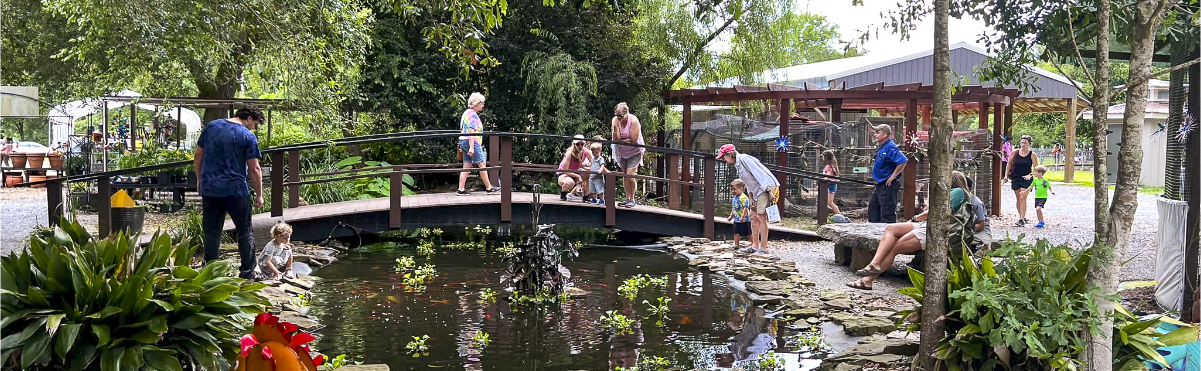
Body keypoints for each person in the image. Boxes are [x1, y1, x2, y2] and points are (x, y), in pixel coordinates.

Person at [847, 171, 987, 290]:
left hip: (938, 230)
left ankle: (868, 280)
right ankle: (874, 264)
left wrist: (916, 218)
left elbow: (937, 211)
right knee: (891, 228)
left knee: (895, 247)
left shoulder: (958, 192)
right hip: (930, 225)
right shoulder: (962, 194)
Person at [196, 107, 264, 280]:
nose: (253, 128)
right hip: (236, 191)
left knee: (212, 232)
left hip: (210, 189)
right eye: (254, 124)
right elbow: (254, 168)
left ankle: (210, 272)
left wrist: (199, 180)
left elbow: (198, 156)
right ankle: (247, 272)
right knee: (244, 231)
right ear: (249, 118)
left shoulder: (211, 127)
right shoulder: (247, 136)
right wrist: (259, 194)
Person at [717, 144, 779, 254]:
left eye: (724, 157)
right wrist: (750, 197)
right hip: (756, 190)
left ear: (730, 154)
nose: (723, 159)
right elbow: (747, 183)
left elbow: (759, 175)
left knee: (761, 216)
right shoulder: (737, 165)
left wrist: (769, 192)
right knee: (752, 216)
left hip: (766, 186)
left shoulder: (745, 159)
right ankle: (755, 246)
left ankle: (764, 248)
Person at [458, 92, 500, 196]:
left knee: (466, 165)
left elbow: (463, 129)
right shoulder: (473, 115)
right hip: (471, 141)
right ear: (477, 103)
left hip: (463, 141)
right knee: (482, 164)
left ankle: (461, 189)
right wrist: (472, 147)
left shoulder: (466, 113)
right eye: (482, 103)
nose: (483, 105)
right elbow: (471, 132)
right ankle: (489, 188)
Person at [868, 124, 908, 223]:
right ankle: (874, 232)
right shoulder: (882, 147)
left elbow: (903, 160)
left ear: (885, 134)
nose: (875, 135)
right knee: (873, 209)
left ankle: (888, 235)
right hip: (880, 184)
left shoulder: (890, 147)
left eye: (878, 132)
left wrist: (893, 176)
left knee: (887, 212)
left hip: (888, 185)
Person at [611, 102, 644, 208]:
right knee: (624, 174)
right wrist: (616, 127)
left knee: (630, 174)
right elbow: (615, 139)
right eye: (617, 115)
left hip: (635, 151)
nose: (619, 118)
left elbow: (634, 139)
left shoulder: (633, 120)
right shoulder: (615, 120)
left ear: (626, 113)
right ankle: (627, 198)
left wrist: (622, 140)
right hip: (622, 151)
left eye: (621, 116)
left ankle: (632, 198)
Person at [1005, 135, 1039, 226]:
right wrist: (1006, 175)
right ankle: (1022, 216)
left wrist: (1030, 175)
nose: (1023, 144)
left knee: (1022, 196)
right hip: (1016, 177)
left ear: (1029, 144)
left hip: (1026, 178)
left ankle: (1021, 219)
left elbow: (1036, 169)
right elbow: (1009, 164)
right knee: (1018, 198)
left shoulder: (1032, 155)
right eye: (1022, 143)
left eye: (1025, 143)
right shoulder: (1015, 152)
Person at [557, 134, 593, 202]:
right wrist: (577, 176)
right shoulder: (569, 153)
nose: (580, 146)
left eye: (582, 144)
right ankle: (563, 193)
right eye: (578, 144)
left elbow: (595, 163)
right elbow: (565, 170)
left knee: (588, 174)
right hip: (564, 174)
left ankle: (586, 195)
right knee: (569, 183)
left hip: (576, 173)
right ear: (574, 144)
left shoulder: (586, 151)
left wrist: (588, 166)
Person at [728, 179, 753, 248]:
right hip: (736, 219)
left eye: (735, 189)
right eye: (732, 190)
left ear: (741, 188)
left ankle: (753, 242)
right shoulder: (734, 198)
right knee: (736, 232)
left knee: (748, 232)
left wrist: (743, 216)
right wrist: (731, 215)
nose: (733, 191)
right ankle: (736, 244)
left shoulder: (744, 198)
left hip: (745, 220)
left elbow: (746, 207)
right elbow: (734, 207)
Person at [821, 150, 842, 216]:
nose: (822, 158)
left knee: (830, 202)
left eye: (823, 157)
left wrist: (820, 182)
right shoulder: (833, 165)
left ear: (826, 157)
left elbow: (828, 176)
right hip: (832, 185)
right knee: (828, 202)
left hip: (830, 185)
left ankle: (840, 216)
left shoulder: (828, 166)